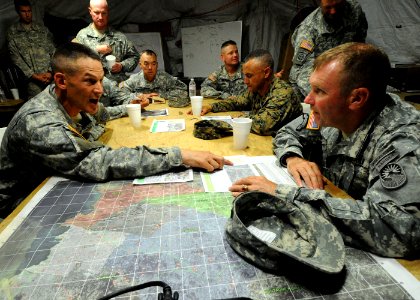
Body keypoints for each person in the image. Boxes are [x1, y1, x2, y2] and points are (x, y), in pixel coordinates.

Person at [230, 43, 420, 258]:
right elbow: (287, 133)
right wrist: (293, 158)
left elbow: (402, 229)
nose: (307, 100)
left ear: (357, 98)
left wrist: (282, 194)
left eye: (319, 91)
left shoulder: (399, 140)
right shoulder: (323, 116)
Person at [0, 42, 231, 219]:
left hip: (51, 184)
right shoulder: (40, 123)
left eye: (101, 81)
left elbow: (104, 113)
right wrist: (179, 155)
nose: (100, 90)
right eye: (90, 82)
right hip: (22, 206)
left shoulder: (73, 101)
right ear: (61, 81)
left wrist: (131, 106)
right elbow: (98, 161)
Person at [193, 49, 302, 136]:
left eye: (249, 76)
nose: (245, 81)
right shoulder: (257, 89)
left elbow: (261, 125)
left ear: (266, 72)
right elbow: (237, 102)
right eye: (245, 75)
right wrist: (211, 107)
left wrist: (221, 123)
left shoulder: (282, 93)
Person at [288, 0, 367, 100]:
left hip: (342, 75)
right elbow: (302, 71)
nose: (333, 11)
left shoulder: (354, 10)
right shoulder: (308, 31)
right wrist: (329, 97)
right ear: (320, 4)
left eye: (337, 6)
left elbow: (360, 43)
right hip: (309, 83)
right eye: (328, 7)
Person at [75, 0, 139, 83]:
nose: (100, 17)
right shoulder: (82, 35)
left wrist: (121, 65)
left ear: (108, 12)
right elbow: (75, 60)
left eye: (104, 13)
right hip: (93, 88)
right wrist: (95, 49)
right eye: (96, 13)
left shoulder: (119, 37)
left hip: (118, 88)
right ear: (90, 11)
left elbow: (134, 56)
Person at [7, 0, 55, 99]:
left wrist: (50, 72)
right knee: (36, 107)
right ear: (18, 12)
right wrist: (34, 76)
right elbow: (16, 58)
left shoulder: (42, 30)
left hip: (50, 78)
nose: (27, 14)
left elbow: (53, 51)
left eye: (29, 11)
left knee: (56, 104)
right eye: (23, 11)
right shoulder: (13, 32)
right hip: (32, 82)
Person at [120, 49, 188, 103]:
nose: (150, 67)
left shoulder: (164, 77)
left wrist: (162, 95)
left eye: (153, 64)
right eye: (146, 64)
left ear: (157, 65)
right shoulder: (135, 79)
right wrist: (140, 96)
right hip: (142, 110)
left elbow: (183, 90)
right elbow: (120, 93)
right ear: (140, 65)